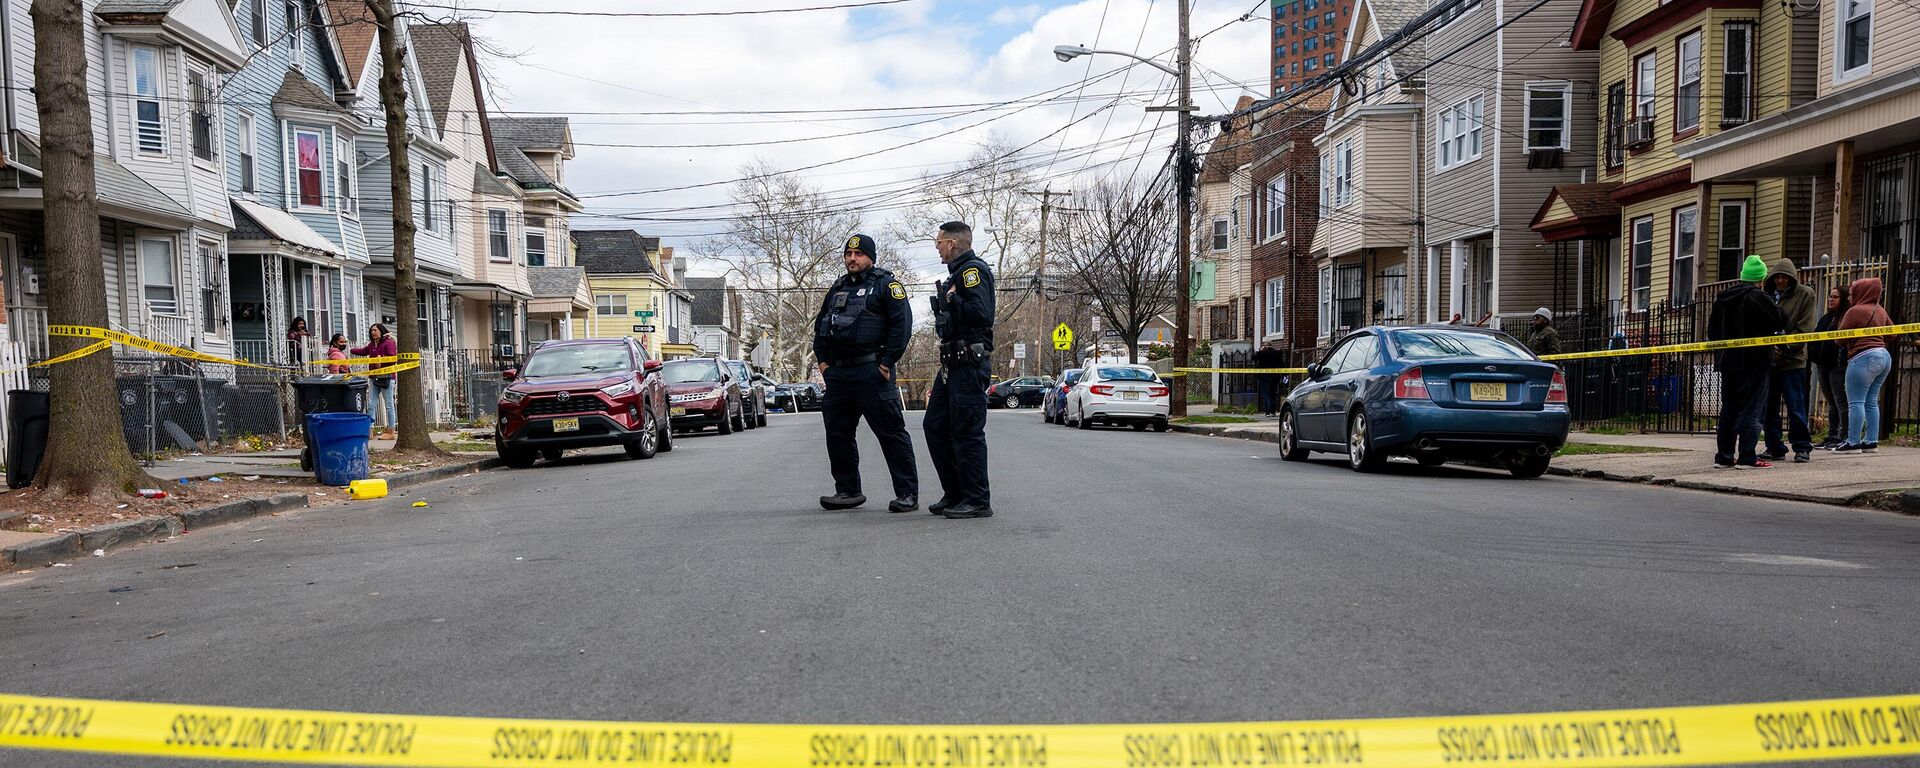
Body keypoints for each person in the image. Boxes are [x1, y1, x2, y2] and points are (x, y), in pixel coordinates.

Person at [811, 233, 918, 513]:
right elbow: (820, 328)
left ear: (870, 257)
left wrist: (885, 363)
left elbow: (901, 326)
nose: (852, 259)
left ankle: (907, 493)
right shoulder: (837, 289)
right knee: (838, 435)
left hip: (872, 373)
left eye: (858, 254)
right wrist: (824, 365)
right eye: (848, 254)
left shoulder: (887, 286)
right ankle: (847, 490)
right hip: (838, 376)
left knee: (892, 434)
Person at [924, 221, 995, 519]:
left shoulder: (971, 271)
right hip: (951, 363)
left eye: (939, 242)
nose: (937, 247)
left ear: (952, 244)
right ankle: (955, 493)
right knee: (935, 426)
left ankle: (977, 500)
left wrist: (953, 299)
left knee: (967, 431)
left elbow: (982, 314)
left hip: (968, 362)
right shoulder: (955, 274)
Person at [1706, 255, 1786, 469]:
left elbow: (1712, 332)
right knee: (1753, 408)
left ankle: (1724, 456)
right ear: (1760, 279)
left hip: (1728, 362)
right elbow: (1780, 319)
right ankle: (1747, 456)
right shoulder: (1759, 297)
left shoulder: (1722, 299)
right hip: (1755, 362)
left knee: (1730, 408)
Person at [1762, 258, 1818, 462]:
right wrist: (1770, 349)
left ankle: (1802, 446)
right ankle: (1774, 446)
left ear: (1792, 278)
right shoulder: (1766, 296)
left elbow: (1805, 328)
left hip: (1793, 360)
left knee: (1796, 406)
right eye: (1777, 277)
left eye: (1784, 277)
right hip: (1770, 361)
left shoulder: (1805, 294)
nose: (1780, 281)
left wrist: (1783, 347)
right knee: (1769, 408)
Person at [1834, 277, 1892, 454]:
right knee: (1872, 401)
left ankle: (1853, 443)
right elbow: (1892, 333)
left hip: (1862, 358)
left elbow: (1839, 338)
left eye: (1853, 293)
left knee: (1856, 402)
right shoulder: (1880, 310)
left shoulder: (1854, 311)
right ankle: (1871, 441)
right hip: (1883, 357)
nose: (1850, 298)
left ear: (1862, 292)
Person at [1811, 285, 1849, 448]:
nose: (1831, 299)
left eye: (1835, 297)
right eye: (1830, 296)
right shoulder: (1826, 318)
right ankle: (1832, 434)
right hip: (1822, 365)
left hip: (1837, 366)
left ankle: (1843, 435)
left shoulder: (1845, 318)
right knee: (1831, 402)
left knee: (1841, 402)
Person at [353, 324, 398, 439]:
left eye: (375, 330)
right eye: (371, 330)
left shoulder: (389, 342)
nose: (373, 332)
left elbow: (393, 357)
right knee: (371, 404)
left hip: (386, 377)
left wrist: (381, 359)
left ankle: (391, 431)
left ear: (381, 331)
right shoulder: (372, 344)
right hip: (374, 377)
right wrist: (350, 350)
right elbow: (363, 351)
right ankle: (369, 431)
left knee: (389, 405)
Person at [1252, 342, 1286, 415]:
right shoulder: (1277, 353)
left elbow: (1253, 357)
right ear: (1272, 345)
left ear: (1265, 346)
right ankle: (1273, 412)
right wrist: (1284, 374)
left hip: (1264, 377)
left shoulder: (1262, 353)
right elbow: (1282, 364)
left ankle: (1268, 411)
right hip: (1275, 376)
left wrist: (1260, 351)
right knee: (1273, 393)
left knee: (1266, 394)